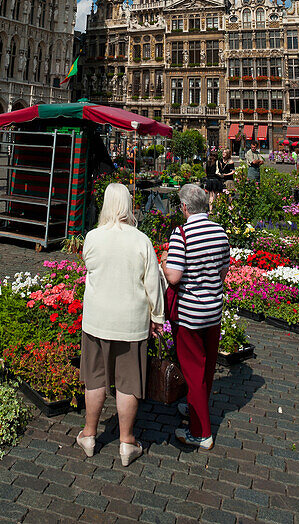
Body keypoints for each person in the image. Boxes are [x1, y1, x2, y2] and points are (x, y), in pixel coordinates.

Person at [77, 182, 164, 466]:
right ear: (128, 205)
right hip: (130, 322)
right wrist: (157, 317)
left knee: (95, 378)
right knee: (128, 383)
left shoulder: (93, 237)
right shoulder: (141, 240)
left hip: (97, 320)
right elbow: (153, 285)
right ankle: (127, 442)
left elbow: (88, 265)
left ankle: (89, 435)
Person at [162, 184, 231, 451]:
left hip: (190, 314)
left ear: (185, 207)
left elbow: (174, 277)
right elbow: (223, 271)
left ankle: (200, 432)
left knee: (192, 370)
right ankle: (194, 407)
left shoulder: (182, 233)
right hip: (213, 312)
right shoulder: (219, 231)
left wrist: (165, 261)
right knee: (206, 368)